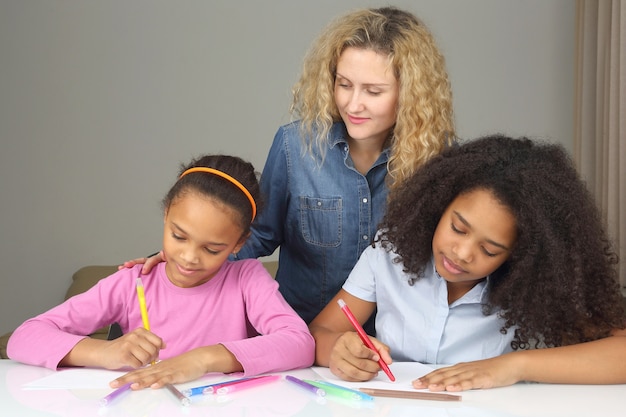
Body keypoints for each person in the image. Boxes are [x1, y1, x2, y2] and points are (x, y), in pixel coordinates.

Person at [122, 6, 455, 326]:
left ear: (409, 93)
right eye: (344, 84)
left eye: (373, 91)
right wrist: (178, 258)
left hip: (395, 346)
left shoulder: (438, 158)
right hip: (301, 336)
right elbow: (259, 234)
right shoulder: (296, 146)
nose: (353, 104)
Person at [309, 135, 626, 391]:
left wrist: (512, 367)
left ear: (520, 255)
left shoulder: (536, 284)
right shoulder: (389, 254)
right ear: (439, 205)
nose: (461, 253)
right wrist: (339, 349)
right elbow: (319, 332)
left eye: (489, 250)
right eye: (457, 228)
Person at [8, 154, 315, 389]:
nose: (189, 257)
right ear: (166, 214)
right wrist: (105, 352)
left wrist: (204, 359)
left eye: (212, 249)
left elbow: (300, 343)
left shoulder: (246, 279)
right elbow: (23, 338)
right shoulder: (133, 281)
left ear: (239, 243)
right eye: (179, 236)